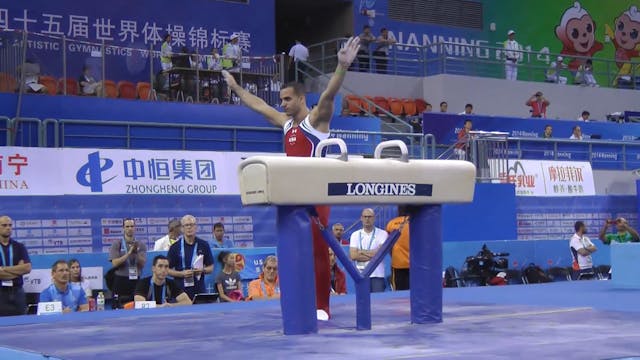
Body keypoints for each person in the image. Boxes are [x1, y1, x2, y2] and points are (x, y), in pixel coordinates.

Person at [223, 36, 360, 319]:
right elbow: (259, 106)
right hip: (295, 197)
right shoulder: (287, 125)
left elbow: (328, 96)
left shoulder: (317, 121)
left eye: (288, 99)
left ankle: (322, 306)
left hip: (316, 194)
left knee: (318, 253)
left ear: (300, 98)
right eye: (281, 99)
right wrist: (236, 87)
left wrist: (341, 67)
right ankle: (302, 301)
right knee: (294, 254)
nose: (283, 104)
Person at [167, 215, 214, 300]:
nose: (189, 227)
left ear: (196, 227)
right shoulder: (175, 247)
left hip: (199, 289)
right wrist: (181, 274)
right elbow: (167, 270)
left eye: (191, 225)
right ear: (182, 228)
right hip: (180, 291)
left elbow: (211, 268)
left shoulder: (204, 245)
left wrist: (202, 270)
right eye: (186, 225)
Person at [349, 208, 389, 293]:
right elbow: (353, 256)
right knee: (362, 302)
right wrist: (374, 254)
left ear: (374, 218)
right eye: (365, 217)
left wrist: (361, 251)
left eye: (370, 217)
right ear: (361, 218)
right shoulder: (355, 235)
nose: (367, 219)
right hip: (360, 274)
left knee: (378, 302)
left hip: (377, 275)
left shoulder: (383, 234)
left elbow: (381, 255)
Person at [109, 218, 147, 304]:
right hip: (121, 280)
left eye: (132, 226)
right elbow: (115, 263)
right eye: (127, 226)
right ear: (123, 228)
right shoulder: (117, 244)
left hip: (136, 280)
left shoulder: (140, 244)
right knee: (117, 307)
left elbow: (143, 264)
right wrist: (129, 253)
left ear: (135, 228)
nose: (130, 228)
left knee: (138, 306)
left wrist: (136, 253)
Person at [0, 216, 32, 316]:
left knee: (22, 324)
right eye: (4, 225)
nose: (8, 228)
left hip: (18, 291)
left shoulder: (19, 246)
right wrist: (18, 270)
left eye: (10, 225)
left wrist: (4, 269)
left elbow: (27, 268)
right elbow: (21, 269)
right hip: (1, 292)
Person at [386, 206, 410, 291]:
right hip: (414, 264)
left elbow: (388, 245)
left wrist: (394, 255)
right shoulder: (415, 222)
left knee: (399, 293)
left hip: (397, 264)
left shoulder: (391, 224)